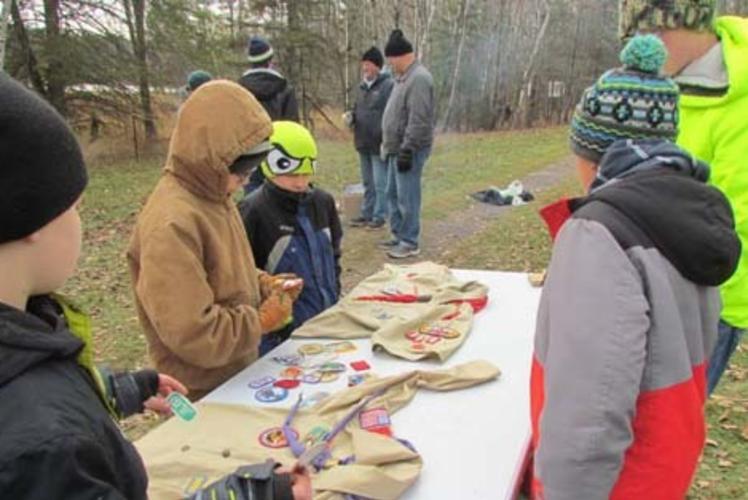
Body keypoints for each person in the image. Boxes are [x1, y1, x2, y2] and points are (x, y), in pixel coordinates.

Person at [531, 36, 740, 499]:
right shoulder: (689, 211)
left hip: (618, 483)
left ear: (593, 155)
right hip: (663, 467)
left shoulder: (599, 235)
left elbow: (589, 415)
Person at [0, 74, 188, 498]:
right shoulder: (45, 448)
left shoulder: (27, 337)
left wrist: (123, 390)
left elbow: (40, 385)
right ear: (30, 217)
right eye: (75, 207)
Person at [128, 81, 302, 401]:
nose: (247, 180)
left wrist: (265, 285)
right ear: (214, 157)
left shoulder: (214, 194)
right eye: (242, 169)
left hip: (237, 373)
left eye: (253, 168)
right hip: (200, 389)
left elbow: (227, 271)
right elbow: (193, 333)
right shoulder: (171, 224)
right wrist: (260, 322)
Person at [619, 1, 748, 396]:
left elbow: (728, 218)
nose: (647, 48)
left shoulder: (738, 100)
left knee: (669, 419)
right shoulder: (674, 80)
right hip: (654, 283)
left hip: (709, 297)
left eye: (652, 33)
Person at [239, 121, 342, 356]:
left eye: (306, 172)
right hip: (281, 338)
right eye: (292, 173)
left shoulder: (323, 203)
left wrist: (334, 296)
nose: (300, 182)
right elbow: (244, 277)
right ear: (269, 166)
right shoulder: (252, 210)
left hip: (328, 322)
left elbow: (334, 255)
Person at [380, 29, 435, 259]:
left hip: (409, 149)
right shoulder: (402, 78)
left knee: (407, 195)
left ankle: (410, 241)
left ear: (402, 56)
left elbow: (419, 119)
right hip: (394, 148)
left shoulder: (419, 78)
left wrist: (408, 148)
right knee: (391, 193)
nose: (390, 65)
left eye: (391, 60)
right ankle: (398, 234)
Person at [239, 35, 301, 195]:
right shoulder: (285, 88)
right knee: (278, 192)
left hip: (249, 150)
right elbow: (292, 125)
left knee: (251, 192)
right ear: (270, 60)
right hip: (277, 149)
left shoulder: (239, 89)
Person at [347, 46, 394, 230]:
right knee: (367, 183)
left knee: (380, 183)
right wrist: (351, 117)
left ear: (377, 66)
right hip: (362, 142)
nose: (364, 69)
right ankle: (367, 213)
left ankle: (380, 215)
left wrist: (388, 139)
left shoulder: (388, 86)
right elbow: (357, 109)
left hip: (379, 143)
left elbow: (392, 114)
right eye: (363, 66)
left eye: (367, 65)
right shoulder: (361, 88)